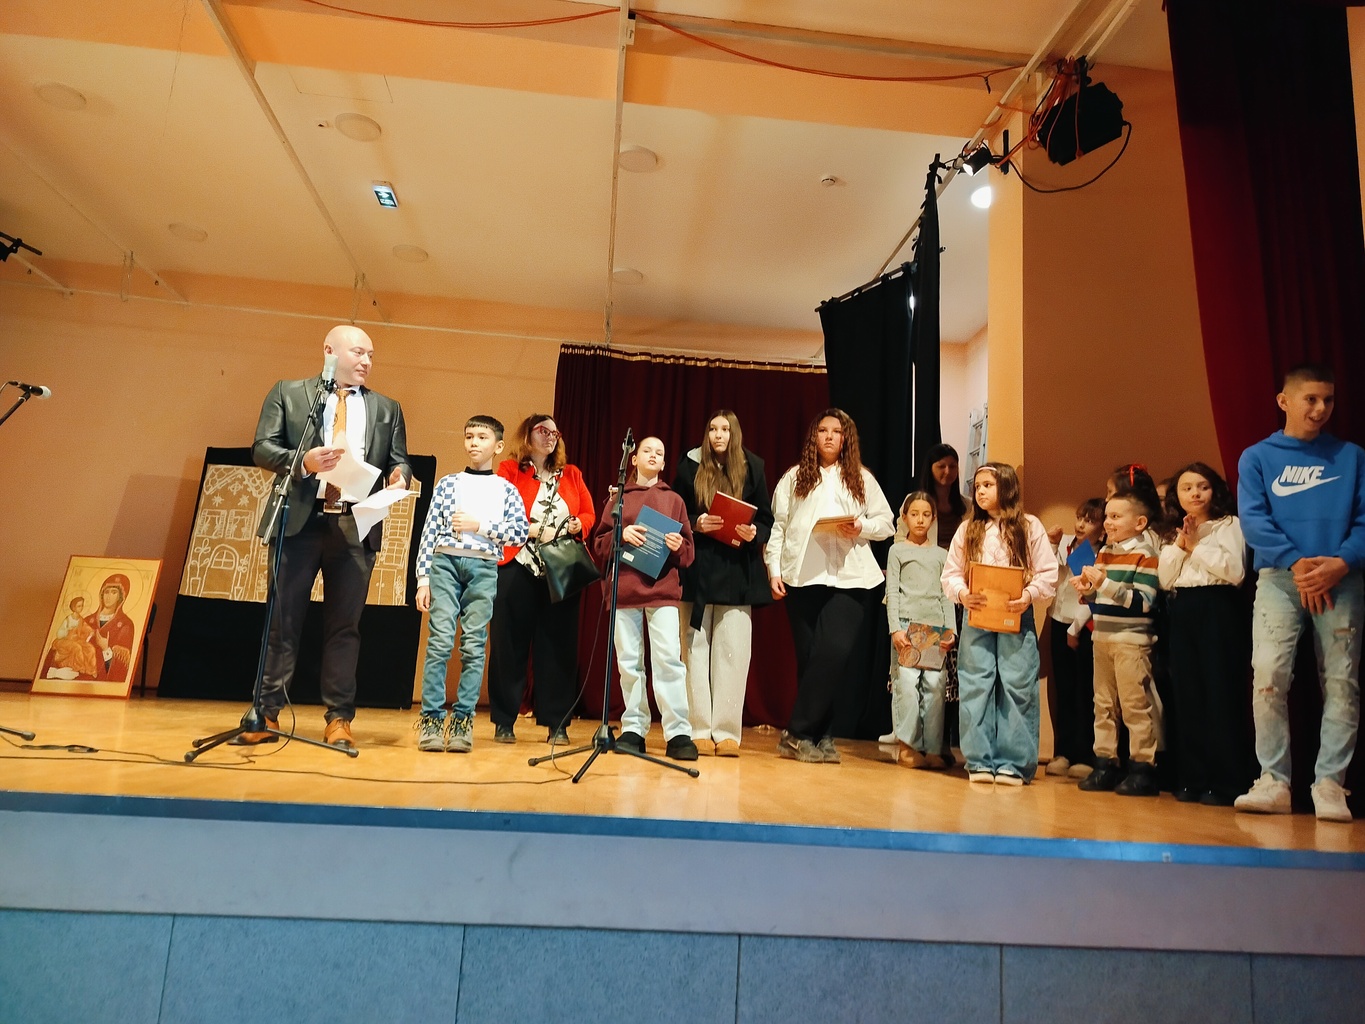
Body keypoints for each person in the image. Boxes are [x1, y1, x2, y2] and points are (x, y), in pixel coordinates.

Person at [241, 324, 410, 749]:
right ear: (330, 351)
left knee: (344, 627)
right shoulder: (290, 393)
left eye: (370, 355)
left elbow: (400, 460)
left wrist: (400, 476)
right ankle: (266, 712)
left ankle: (339, 719)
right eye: (358, 352)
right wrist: (304, 461)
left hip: (353, 525)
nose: (366, 361)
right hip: (299, 521)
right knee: (282, 622)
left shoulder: (388, 408)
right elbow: (262, 447)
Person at [1234, 363, 1365, 823]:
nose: (1320, 408)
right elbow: (1253, 520)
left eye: (1328, 399)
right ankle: (1273, 781)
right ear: (1284, 401)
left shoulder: (1352, 456)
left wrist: (1342, 562)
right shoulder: (1257, 457)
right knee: (1268, 675)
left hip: (1341, 579)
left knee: (1341, 681)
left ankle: (1330, 784)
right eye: (1310, 399)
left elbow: (1364, 519)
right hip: (1280, 579)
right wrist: (1297, 562)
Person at [766, 409, 895, 764]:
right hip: (803, 576)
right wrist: (773, 569)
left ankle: (796, 733)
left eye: (836, 431)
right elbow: (779, 527)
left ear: (845, 438)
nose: (828, 436)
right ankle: (819, 735)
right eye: (822, 430)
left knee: (833, 653)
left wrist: (862, 527)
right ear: (814, 437)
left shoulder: (861, 478)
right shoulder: (795, 477)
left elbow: (887, 523)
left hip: (850, 577)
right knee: (811, 659)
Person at [413, 416, 529, 753]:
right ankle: (432, 719)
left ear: (498, 446)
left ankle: (463, 721)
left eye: (482, 437)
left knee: (474, 645)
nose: (474, 442)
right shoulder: (449, 484)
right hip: (445, 563)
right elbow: (429, 531)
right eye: (469, 436)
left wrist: (481, 525)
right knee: (439, 641)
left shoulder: (506, 489)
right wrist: (423, 578)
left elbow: (520, 533)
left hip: (483, 566)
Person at [941, 462, 1057, 785]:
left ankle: (1013, 763)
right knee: (976, 684)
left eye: (987, 485)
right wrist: (963, 594)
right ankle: (979, 760)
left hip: (1015, 615)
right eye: (977, 486)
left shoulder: (1029, 526)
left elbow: (1047, 573)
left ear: (1006, 487)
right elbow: (950, 574)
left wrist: (1028, 595)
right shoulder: (969, 529)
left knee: (1017, 685)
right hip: (978, 616)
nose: (980, 492)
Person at [487, 414, 596, 745]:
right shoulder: (509, 471)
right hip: (517, 563)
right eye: (543, 431)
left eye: (555, 433)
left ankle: (557, 723)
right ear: (528, 435)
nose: (550, 437)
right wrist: (532, 530)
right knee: (508, 644)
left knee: (559, 647)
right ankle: (504, 720)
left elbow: (589, 513)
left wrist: (578, 525)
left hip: (560, 568)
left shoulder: (572, 474)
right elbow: (498, 510)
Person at [589, 436, 698, 760]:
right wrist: (620, 534)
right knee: (629, 664)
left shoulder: (673, 499)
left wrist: (678, 546)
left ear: (664, 463)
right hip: (624, 592)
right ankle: (634, 728)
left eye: (659, 452)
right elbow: (599, 544)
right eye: (647, 450)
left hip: (662, 592)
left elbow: (689, 553)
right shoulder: (618, 498)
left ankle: (677, 733)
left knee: (668, 661)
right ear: (633, 459)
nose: (653, 455)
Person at [672, 410, 774, 756]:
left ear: (734, 433)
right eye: (713, 429)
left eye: (725, 429)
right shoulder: (689, 465)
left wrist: (754, 532)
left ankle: (727, 732)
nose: (718, 435)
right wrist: (696, 522)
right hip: (697, 571)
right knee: (694, 651)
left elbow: (767, 519)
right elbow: (675, 513)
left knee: (733, 652)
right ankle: (698, 728)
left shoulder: (752, 466)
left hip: (737, 572)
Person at [1159, 462, 1249, 805]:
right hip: (1184, 608)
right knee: (1188, 694)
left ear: (1215, 490)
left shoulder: (1230, 525)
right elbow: (1165, 579)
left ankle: (1225, 782)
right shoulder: (1174, 531)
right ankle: (1192, 778)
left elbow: (1235, 571)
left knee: (1219, 692)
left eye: (1202, 486)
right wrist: (1182, 544)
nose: (1195, 493)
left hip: (1219, 607)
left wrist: (1197, 547)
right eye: (1186, 488)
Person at [1073, 490, 1163, 797]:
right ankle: (1105, 763)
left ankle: (1142, 767)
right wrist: (1087, 590)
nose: (1108, 522)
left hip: (1130, 641)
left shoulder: (1146, 554)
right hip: (1102, 637)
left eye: (1115, 516)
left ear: (1139, 522)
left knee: (1135, 704)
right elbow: (1101, 598)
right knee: (1103, 704)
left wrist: (1104, 584)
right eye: (1107, 516)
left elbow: (1143, 602)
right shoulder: (1105, 553)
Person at [886, 492, 956, 769]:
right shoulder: (897, 551)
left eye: (926, 514)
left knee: (935, 687)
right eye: (914, 514)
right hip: (907, 626)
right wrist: (895, 629)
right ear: (904, 517)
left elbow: (946, 594)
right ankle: (907, 747)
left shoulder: (941, 555)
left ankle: (933, 749)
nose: (920, 520)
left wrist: (950, 630)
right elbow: (892, 591)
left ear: (933, 518)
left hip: (934, 629)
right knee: (906, 685)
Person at [1045, 498, 1104, 779]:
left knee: (1085, 689)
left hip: (1084, 626)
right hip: (1059, 620)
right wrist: (1053, 544)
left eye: (1090, 521)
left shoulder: (1102, 552)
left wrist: (1076, 628)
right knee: (1063, 688)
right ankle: (1063, 751)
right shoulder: (1068, 543)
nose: (1081, 524)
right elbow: (1052, 577)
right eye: (1080, 518)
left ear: (1102, 527)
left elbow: (1092, 595)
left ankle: (1085, 754)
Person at [920, 442, 969, 550]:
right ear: (930, 469)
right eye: (941, 466)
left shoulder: (969, 506)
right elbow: (901, 539)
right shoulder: (914, 502)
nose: (947, 471)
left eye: (952, 466)